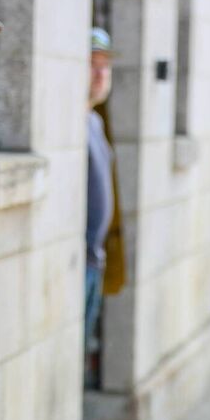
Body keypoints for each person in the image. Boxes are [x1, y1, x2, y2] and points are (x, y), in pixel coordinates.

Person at [85, 28, 115, 387]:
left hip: (95, 260)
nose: (99, 74)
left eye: (104, 66)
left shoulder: (94, 121)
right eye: (91, 65)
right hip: (78, 262)